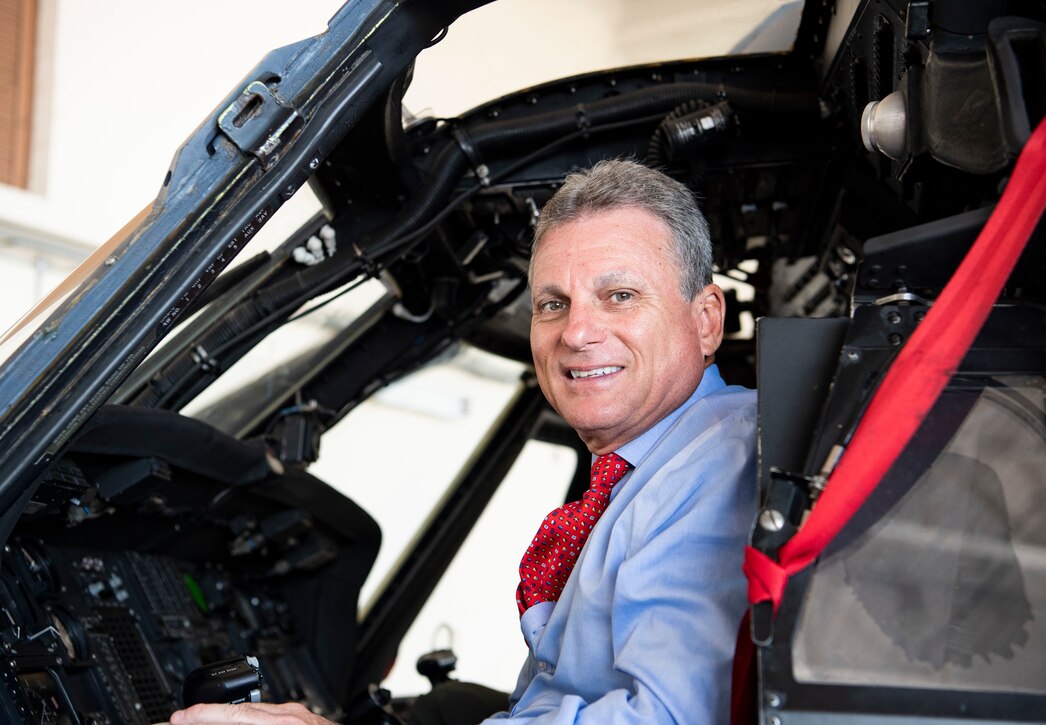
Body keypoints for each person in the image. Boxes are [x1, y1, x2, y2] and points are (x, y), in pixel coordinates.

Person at [170, 159, 757, 724]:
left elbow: (668, 717)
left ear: (706, 320)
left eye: (620, 296)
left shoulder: (724, 462)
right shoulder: (655, 466)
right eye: (553, 304)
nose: (577, 332)